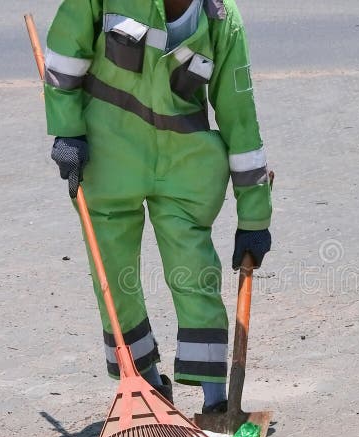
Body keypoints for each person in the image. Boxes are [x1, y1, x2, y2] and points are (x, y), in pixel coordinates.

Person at [44, 0, 272, 413]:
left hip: (185, 167)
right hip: (108, 158)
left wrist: (254, 217)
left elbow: (241, 118)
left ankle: (216, 402)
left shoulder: (221, 19)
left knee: (195, 275)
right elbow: (64, 55)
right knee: (114, 277)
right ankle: (145, 386)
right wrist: (67, 132)